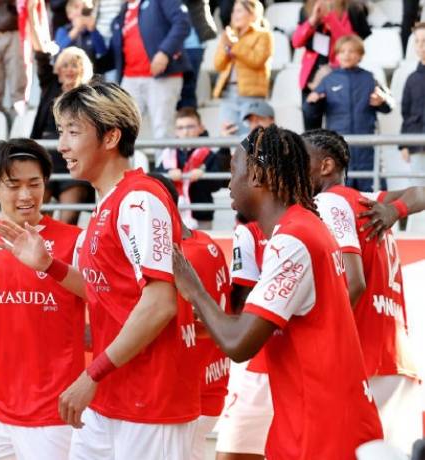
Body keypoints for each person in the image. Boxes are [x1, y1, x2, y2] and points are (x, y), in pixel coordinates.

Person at [0, 81, 200, 460]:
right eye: (61, 132)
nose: (62, 146)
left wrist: (92, 374)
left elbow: (159, 304)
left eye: (72, 132)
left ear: (111, 137)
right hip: (110, 397)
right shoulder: (106, 203)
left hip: (149, 402)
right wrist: (49, 266)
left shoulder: (140, 199)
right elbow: (102, 290)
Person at [172, 124, 383, 458]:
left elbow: (239, 344)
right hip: (315, 417)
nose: (229, 184)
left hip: (323, 428)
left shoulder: (294, 239)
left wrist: (193, 288)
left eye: (233, 171)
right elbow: (250, 328)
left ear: (257, 175)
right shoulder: (301, 228)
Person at [0, 138, 85, 460]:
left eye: (34, 184)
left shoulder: (74, 240)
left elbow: (100, 296)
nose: (26, 195)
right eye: (13, 185)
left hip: (55, 413)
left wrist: (49, 265)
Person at [304, 129, 422, 455]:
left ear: (326, 165)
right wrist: (396, 209)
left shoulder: (329, 202)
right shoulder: (366, 199)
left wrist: (321, 342)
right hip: (397, 359)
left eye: (301, 160)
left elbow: (353, 283)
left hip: (364, 357)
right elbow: (420, 192)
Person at [149, 173, 231, 460]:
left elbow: (190, 324)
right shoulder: (206, 243)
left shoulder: (176, 258)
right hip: (210, 386)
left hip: (188, 395)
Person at [215, 215, 273, 460]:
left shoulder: (248, 232)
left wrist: (201, 299)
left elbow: (240, 306)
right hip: (299, 363)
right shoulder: (315, 224)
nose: (231, 198)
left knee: (233, 453)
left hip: (257, 362)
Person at [304, 34, 393, 192]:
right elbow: (311, 113)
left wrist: (382, 101)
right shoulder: (329, 80)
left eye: (351, 51)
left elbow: (388, 106)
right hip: (339, 150)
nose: (346, 55)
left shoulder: (369, 78)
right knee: (342, 196)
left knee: (371, 196)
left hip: (366, 149)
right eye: (342, 51)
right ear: (337, 55)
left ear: (360, 55)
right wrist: (312, 102)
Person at [29, 14, 94, 225]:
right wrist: (32, 14)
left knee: (68, 220)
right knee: (38, 220)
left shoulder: (90, 95)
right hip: (46, 158)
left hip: (75, 159)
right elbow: (40, 53)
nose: (69, 70)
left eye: (74, 65)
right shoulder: (50, 86)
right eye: (65, 65)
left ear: (83, 69)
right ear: (58, 68)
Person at [107, 0, 191, 139]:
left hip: (162, 77)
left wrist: (165, 52)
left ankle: (164, 156)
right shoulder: (122, 12)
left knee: (163, 131)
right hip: (130, 78)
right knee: (122, 132)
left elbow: (182, 23)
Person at [292, 0, 371, 130]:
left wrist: (330, 17)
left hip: (343, 77)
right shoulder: (307, 9)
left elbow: (349, 44)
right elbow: (296, 42)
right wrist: (312, 20)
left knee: (341, 125)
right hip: (313, 77)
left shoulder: (354, 9)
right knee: (311, 125)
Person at [154, 107, 228, 230]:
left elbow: (217, 184)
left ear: (201, 128)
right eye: (180, 128)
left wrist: (203, 176)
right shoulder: (167, 154)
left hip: (201, 217)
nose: (185, 132)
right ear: (175, 131)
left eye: (190, 127)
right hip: (173, 216)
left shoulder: (208, 154)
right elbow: (156, 178)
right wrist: (168, 174)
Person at [213, 0, 272, 137]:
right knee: (229, 134)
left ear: (252, 14)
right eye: (234, 11)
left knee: (250, 138)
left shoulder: (264, 35)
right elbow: (218, 65)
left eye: (239, 11)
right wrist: (226, 47)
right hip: (228, 94)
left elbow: (257, 60)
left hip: (252, 95)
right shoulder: (229, 36)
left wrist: (234, 45)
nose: (234, 15)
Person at [400, 22, 425, 186]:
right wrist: (404, 144)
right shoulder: (411, 79)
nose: (421, 45)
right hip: (417, 146)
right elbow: (406, 114)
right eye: (417, 41)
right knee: (418, 191)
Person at [54, 0, 107, 67]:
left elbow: (102, 52)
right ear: (69, 14)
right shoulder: (63, 30)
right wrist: (75, 30)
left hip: (89, 71)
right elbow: (57, 53)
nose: (82, 9)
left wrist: (93, 30)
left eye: (84, 7)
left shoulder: (92, 31)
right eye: (76, 7)